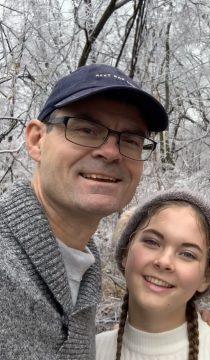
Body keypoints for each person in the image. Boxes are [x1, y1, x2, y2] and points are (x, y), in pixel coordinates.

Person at [0, 63, 168, 359]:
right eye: (87, 130)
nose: (111, 152)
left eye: (130, 140)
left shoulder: (84, 271)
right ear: (36, 140)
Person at [95, 190, 210, 360]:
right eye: (152, 242)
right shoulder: (91, 350)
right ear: (125, 252)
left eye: (187, 254)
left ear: (206, 277)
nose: (164, 261)